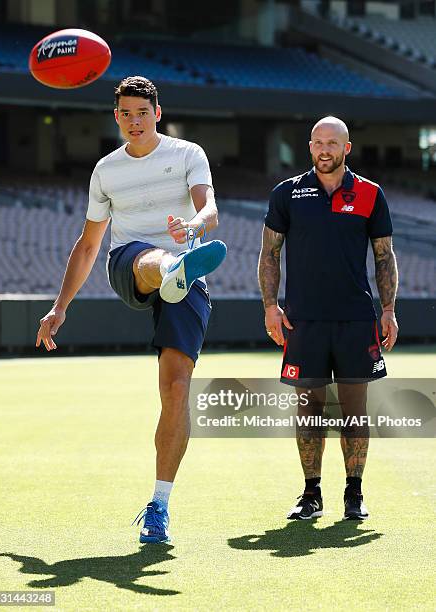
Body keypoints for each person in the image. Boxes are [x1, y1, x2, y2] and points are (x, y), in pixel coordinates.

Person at [36, 76, 226, 543]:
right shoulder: (106, 170)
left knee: (176, 389)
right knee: (152, 260)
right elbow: (87, 246)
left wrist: (193, 224)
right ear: (116, 116)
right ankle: (171, 268)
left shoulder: (187, 154)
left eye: (142, 113)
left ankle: (159, 505)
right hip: (130, 266)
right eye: (126, 113)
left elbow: (210, 212)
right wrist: (60, 307)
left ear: (157, 113)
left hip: (188, 275)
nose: (134, 121)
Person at [258, 116, 398, 520]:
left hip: (356, 321)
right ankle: (310, 494)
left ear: (347, 148)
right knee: (309, 410)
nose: (324, 150)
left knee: (355, 411)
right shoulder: (287, 193)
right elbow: (270, 254)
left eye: (332, 143)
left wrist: (388, 310)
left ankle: (354, 493)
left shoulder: (370, 194)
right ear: (309, 147)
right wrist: (270, 305)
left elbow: (384, 256)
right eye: (318, 142)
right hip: (303, 322)